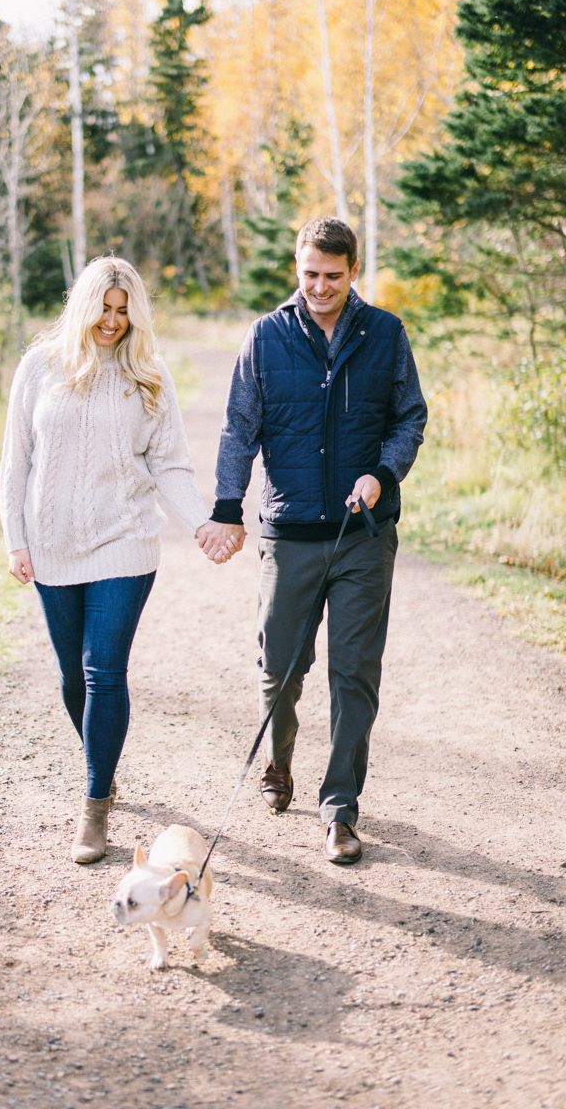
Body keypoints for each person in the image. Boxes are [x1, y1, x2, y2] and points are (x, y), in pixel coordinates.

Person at [199, 217, 427, 864]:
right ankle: (279, 760)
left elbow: (410, 415)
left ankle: (339, 809)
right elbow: (239, 428)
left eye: (332, 275)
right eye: (309, 275)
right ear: (296, 270)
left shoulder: (384, 334)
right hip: (289, 533)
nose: (320, 287)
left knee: (354, 674)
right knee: (279, 670)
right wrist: (227, 507)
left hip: (363, 535)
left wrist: (382, 473)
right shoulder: (267, 337)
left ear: (353, 270)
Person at [0, 256, 219, 865]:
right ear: (83, 306)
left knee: (104, 672)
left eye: (124, 313)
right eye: (105, 309)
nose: (114, 323)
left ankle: (94, 807)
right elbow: (16, 461)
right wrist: (15, 538)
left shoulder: (147, 374)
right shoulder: (38, 368)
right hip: (52, 546)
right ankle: (104, 764)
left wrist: (199, 523)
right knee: (73, 678)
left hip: (125, 543)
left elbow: (169, 462)